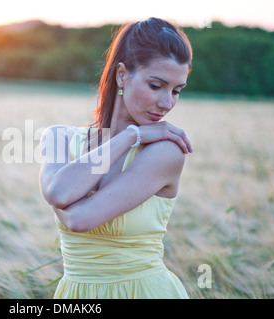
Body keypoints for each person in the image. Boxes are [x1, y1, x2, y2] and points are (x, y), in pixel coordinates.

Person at [39, 17, 193, 299]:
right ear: (122, 75)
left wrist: (135, 137)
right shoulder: (59, 137)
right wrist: (130, 136)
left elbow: (78, 219)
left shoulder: (165, 152)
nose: (167, 103)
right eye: (156, 85)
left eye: (176, 91)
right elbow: (60, 192)